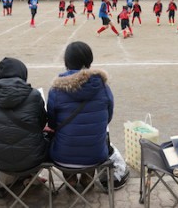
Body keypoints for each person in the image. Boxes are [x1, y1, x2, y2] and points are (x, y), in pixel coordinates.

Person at [47, 41, 129, 190]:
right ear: (89, 61)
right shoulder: (103, 87)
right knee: (95, 136)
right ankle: (87, 178)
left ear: (66, 62)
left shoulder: (55, 90)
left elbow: (52, 124)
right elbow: (108, 118)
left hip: (62, 157)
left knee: (59, 137)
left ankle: (70, 179)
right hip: (96, 156)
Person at [0, 57, 48, 194]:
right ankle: (28, 176)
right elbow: (41, 124)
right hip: (33, 160)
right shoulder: (34, 96)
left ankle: (17, 179)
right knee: (44, 139)